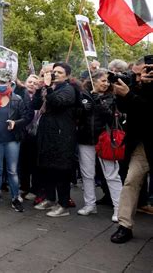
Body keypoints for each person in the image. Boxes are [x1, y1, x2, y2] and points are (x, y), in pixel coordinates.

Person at [110, 56, 153, 243]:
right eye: (135, 73)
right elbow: (125, 107)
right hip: (141, 145)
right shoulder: (136, 86)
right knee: (130, 181)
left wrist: (130, 94)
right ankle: (124, 225)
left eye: (142, 72)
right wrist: (121, 93)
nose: (138, 77)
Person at [33, 62, 78, 217]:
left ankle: (63, 205)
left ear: (67, 75)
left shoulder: (68, 89)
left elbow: (58, 103)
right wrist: (40, 88)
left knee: (61, 171)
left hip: (62, 136)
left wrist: (48, 89)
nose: (55, 74)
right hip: (46, 135)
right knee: (47, 169)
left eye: (59, 72)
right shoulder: (50, 88)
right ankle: (50, 199)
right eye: (54, 72)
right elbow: (35, 105)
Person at [77, 69, 121, 222]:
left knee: (112, 174)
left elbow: (110, 116)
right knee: (87, 174)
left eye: (107, 81)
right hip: (85, 140)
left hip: (105, 140)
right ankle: (90, 204)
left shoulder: (111, 97)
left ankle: (119, 208)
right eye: (103, 80)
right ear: (93, 80)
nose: (106, 84)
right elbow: (78, 115)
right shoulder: (83, 95)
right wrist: (83, 107)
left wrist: (98, 100)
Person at [0, 69, 30, 212]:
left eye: (3, 82)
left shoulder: (17, 99)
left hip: (12, 140)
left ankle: (16, 198)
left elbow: (26, 118)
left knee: (12, 171)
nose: (0, 85)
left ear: (10, 83)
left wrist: (16, 123)